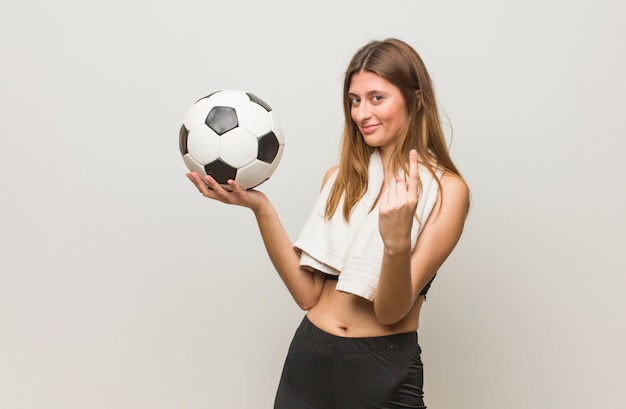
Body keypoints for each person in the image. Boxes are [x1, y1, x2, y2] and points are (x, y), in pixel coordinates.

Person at [186, 38, 469, 409]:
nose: (361, 113)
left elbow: (389, 312)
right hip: (310, 359)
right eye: (354, 100)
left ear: (415, 100)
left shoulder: (449, 191)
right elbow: (308, 296)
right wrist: (262, 208)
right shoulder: (339, 179)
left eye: (376, 98)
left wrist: (397, 241)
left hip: (382, 370)